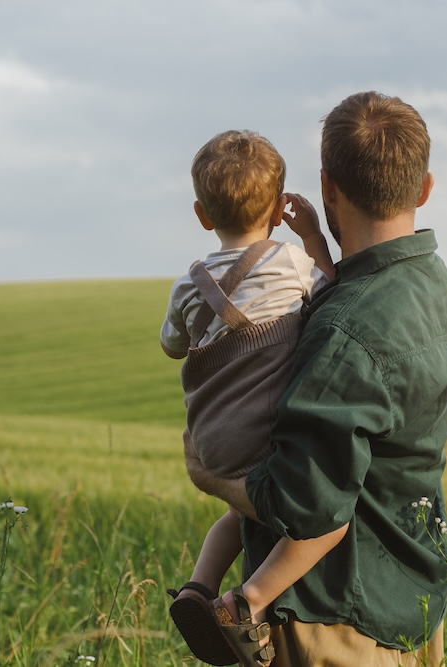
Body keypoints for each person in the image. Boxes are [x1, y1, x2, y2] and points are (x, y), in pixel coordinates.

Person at [186, 92, 447, 667]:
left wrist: (211, 477)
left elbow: (304, 506)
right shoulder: (434, 286)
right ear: (424, 189)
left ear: (327, 188)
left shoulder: (344, 330)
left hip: (334, 621)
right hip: (410, 602)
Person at [160, 129, 348, 666]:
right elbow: (332, 287)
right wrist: (313, 234)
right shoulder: (289, 262)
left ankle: (197, 588)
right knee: (328, 517)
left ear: (201, 214)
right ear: (277, 208)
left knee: (242, 517)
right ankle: (248, 602)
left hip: (211, 440)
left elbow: (172, 347)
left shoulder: (187, 285)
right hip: (265, 436)